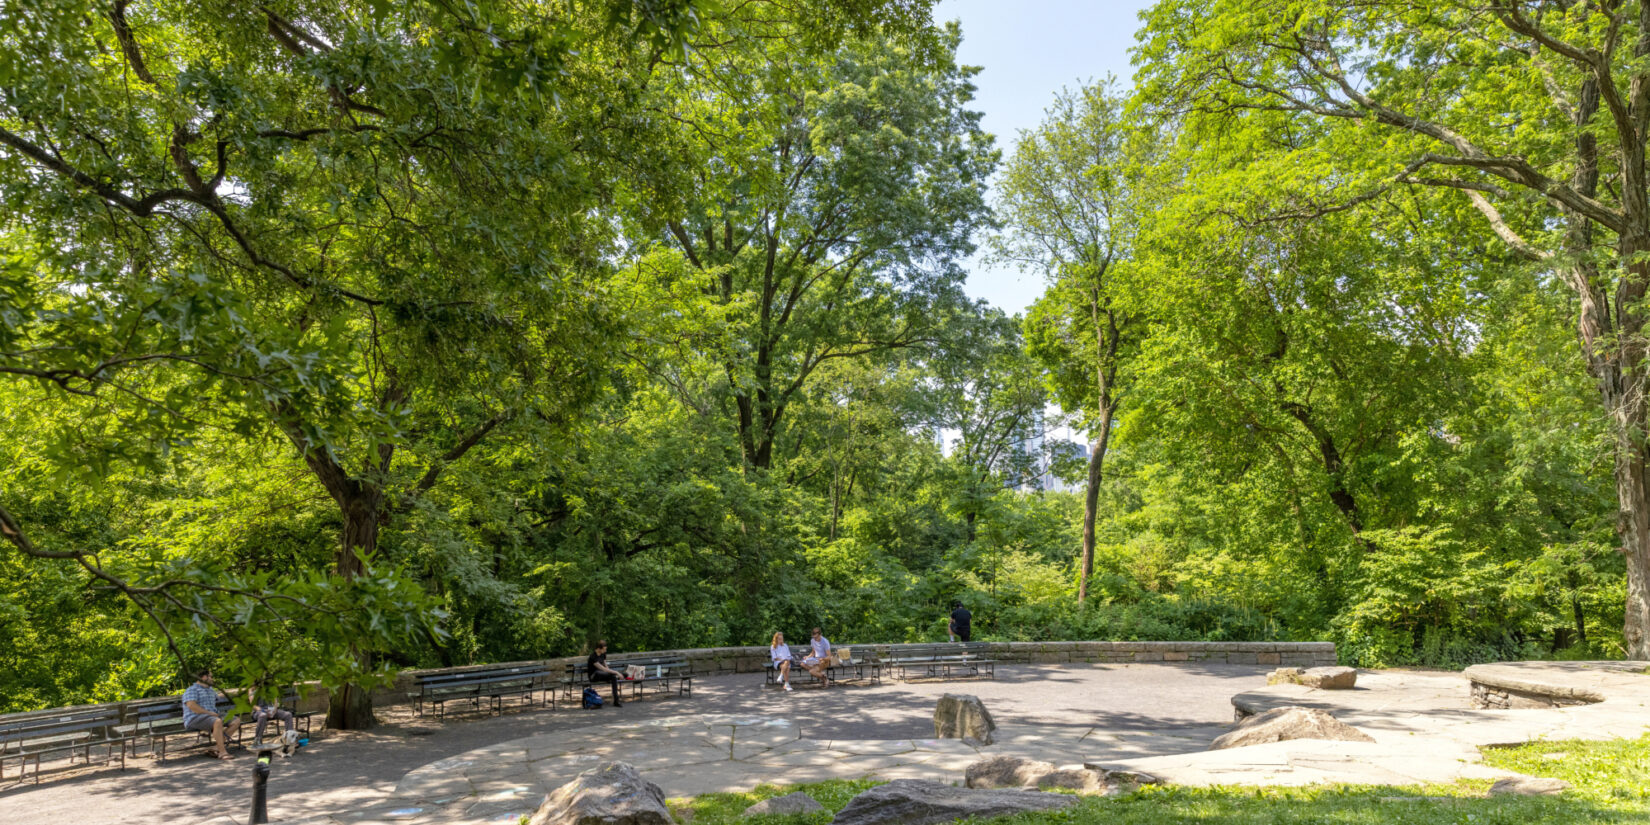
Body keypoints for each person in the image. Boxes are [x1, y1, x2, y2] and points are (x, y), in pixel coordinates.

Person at [181, 668, 242, 760]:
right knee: (217, 721)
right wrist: (210, 713)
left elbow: (219, 697)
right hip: (194, 718)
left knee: (236, 720)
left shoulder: (210, 690)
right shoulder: (192, 690)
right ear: (205, 677)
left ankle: (216, 747)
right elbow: (192, 706)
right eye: (211, 677)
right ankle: (222, 752)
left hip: (211, 716)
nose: (212, 679)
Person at [587, 640, 623, 707]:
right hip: (594, 676)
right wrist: (617, 672)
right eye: (604, 649)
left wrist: (614, 673)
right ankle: (618, 675)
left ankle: (616, 700)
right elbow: (603, 669)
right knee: (600, 672)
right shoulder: (593, 657)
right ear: (599, 648)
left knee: (613, 677)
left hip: (602, 674)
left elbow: (606, 667)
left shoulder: (603, 655)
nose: (605, 651)